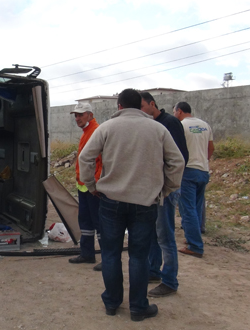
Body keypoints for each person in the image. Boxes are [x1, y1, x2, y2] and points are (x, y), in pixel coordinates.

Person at [78, 88, 184, 322]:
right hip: (144, 203)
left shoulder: (106, 128)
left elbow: (85, 157)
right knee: (139, 256)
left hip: (110, 202)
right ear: (140, 106)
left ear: (119, 107)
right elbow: (177, 161)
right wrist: (166, 189)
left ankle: (112, 303)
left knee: (111, 254)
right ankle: (138, 307)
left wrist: (92, 185)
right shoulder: (158, 129)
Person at [140, 92, 189, 298]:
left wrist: (168, 188)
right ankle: (153, 271)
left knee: (165, 235)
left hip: (165, 190)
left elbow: (180, 158)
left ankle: (169, 281)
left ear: (152, 104)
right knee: (152, 232)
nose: (140, 111)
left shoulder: (169, 122)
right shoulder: (149, 125)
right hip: (152, 189)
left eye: (142, 107)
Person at [173, 101, 214, 258]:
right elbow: (211, 148)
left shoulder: (181, 126)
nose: (175, 115)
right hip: (203, 171)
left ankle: (195, 246)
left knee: (187, 209)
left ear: (180, 111)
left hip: (188, 171)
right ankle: (193, 237)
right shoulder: (205, 125)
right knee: (196, 207)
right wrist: (204, 161)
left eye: (175, 112)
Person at [68, 103, 103, 271]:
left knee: (101, 224)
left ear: (90, 114)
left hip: (93, 188)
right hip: (84, 187)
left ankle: (107, 258)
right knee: (86, 223)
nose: (77, 118)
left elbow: (102, 161)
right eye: (75, 115)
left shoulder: (97, 132)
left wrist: (95, 182)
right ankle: (87, 253)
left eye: (80, 115)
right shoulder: (87, 132)